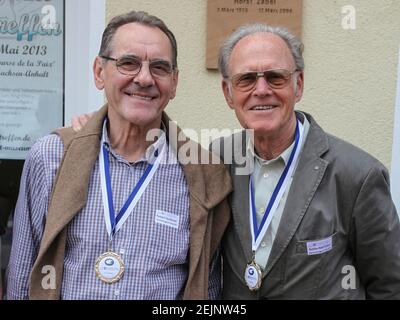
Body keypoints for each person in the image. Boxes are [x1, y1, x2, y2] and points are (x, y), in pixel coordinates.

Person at [6, 10, 232, 300]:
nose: (144, 78)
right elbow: (23, 276)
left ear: (174, 83)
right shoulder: (53, 157)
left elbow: (207, 286)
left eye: (160, 68)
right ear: (99, 73)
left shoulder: (202, 174)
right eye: (128, 63)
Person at [211, 23, 400, 299]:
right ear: (228, 93)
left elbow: (390, 286)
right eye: (246, 79)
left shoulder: (358, 175)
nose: (261, 90)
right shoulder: (217, 159)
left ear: (298, 85)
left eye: (275, 77)